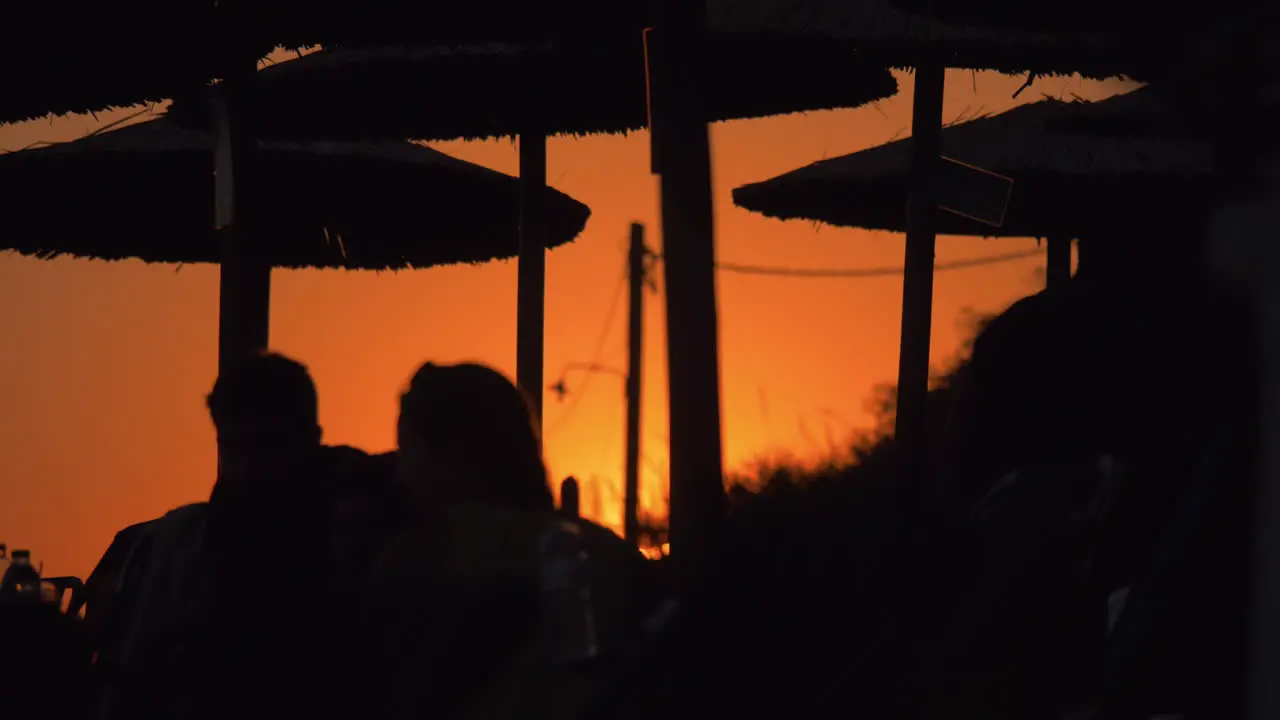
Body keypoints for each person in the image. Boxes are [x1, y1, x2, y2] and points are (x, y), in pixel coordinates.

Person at [350, 362, 660, 720]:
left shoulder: (423, 561)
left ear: (454, 456)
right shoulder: (609, 555)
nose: (401, 476)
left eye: (409, 454)